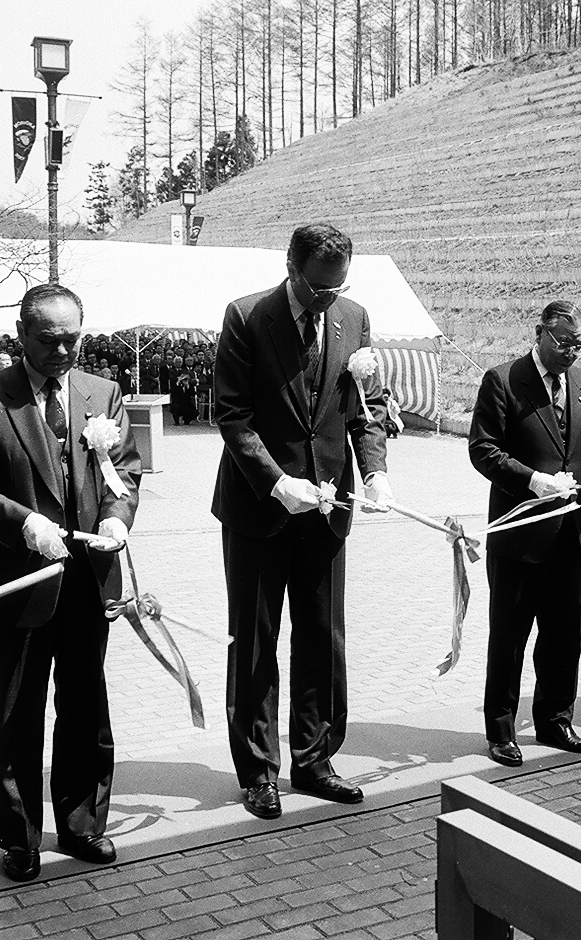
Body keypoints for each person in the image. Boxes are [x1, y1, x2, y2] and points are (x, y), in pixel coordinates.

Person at [0, 283, 140, 883]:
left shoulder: (102, 392)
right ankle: (20, 839)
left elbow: (124, 469)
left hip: (87, 583)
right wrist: (24, 524)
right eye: (49, 340)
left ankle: (81, 825)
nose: (62, 352)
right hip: (18, 583)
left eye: (72, 339)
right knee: (17, 714)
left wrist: (115, 516)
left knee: (84, 707)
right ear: (21, 335)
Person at [212, 223, 393, 821]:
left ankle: (315, 760)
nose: (325, 300)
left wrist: (374, 472)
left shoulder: (354, 317)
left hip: (326, 508)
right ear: (290, 266)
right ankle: (259, 770)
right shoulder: (245, 317)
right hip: (260, 509)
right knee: (257, 642)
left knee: (322, 638)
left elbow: (365, 409)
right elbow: (233, 417)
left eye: (336, 288)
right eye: (316, 289)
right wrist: (276, 482)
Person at [469, 300, 581, 766]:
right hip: (522, 532)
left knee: (562, 633)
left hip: (571, 530)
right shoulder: (503, 380)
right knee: (510, 635)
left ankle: (555, 720)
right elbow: (483, 450)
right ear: (538, 333)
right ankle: (501, 729)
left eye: (579, 345)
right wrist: (531, 479)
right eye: (562, 342)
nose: (571, 352)